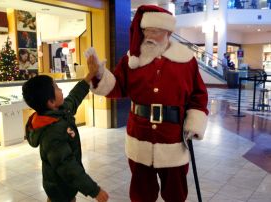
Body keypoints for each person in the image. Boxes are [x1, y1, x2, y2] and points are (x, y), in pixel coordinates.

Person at [85, 5, 208, 202]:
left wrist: (193, 123)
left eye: (154, 31)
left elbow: (199, 95)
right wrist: (100, 75)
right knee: (141, 192)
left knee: (175, 192)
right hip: (139, 135)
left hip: (173, 138)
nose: (148, 35)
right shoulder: (132, 59)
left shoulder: (187, 60)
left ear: (167, 32)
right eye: (145, 31)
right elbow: (117, 87)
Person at [22, 64, 109, 202]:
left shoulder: (59, 112)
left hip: (66, 188)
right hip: (60, 191)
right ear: (50, 102)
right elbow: (68, 167)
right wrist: (94, 190)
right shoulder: (52, 134)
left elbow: (74, 97)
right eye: (56, 87)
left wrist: (89, 76)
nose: (60, 88)